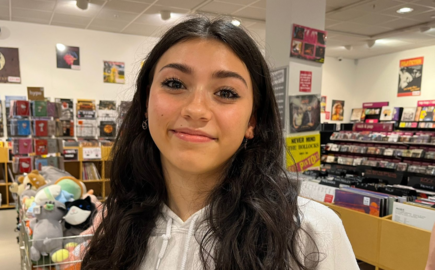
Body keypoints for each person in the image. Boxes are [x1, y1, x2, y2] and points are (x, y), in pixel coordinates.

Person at [82, 17, 358, 270]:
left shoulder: (310, 231)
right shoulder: (114, 221)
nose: (196, 109)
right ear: (144, 104)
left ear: (252, 121)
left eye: (226, 92)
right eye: (175, 83)